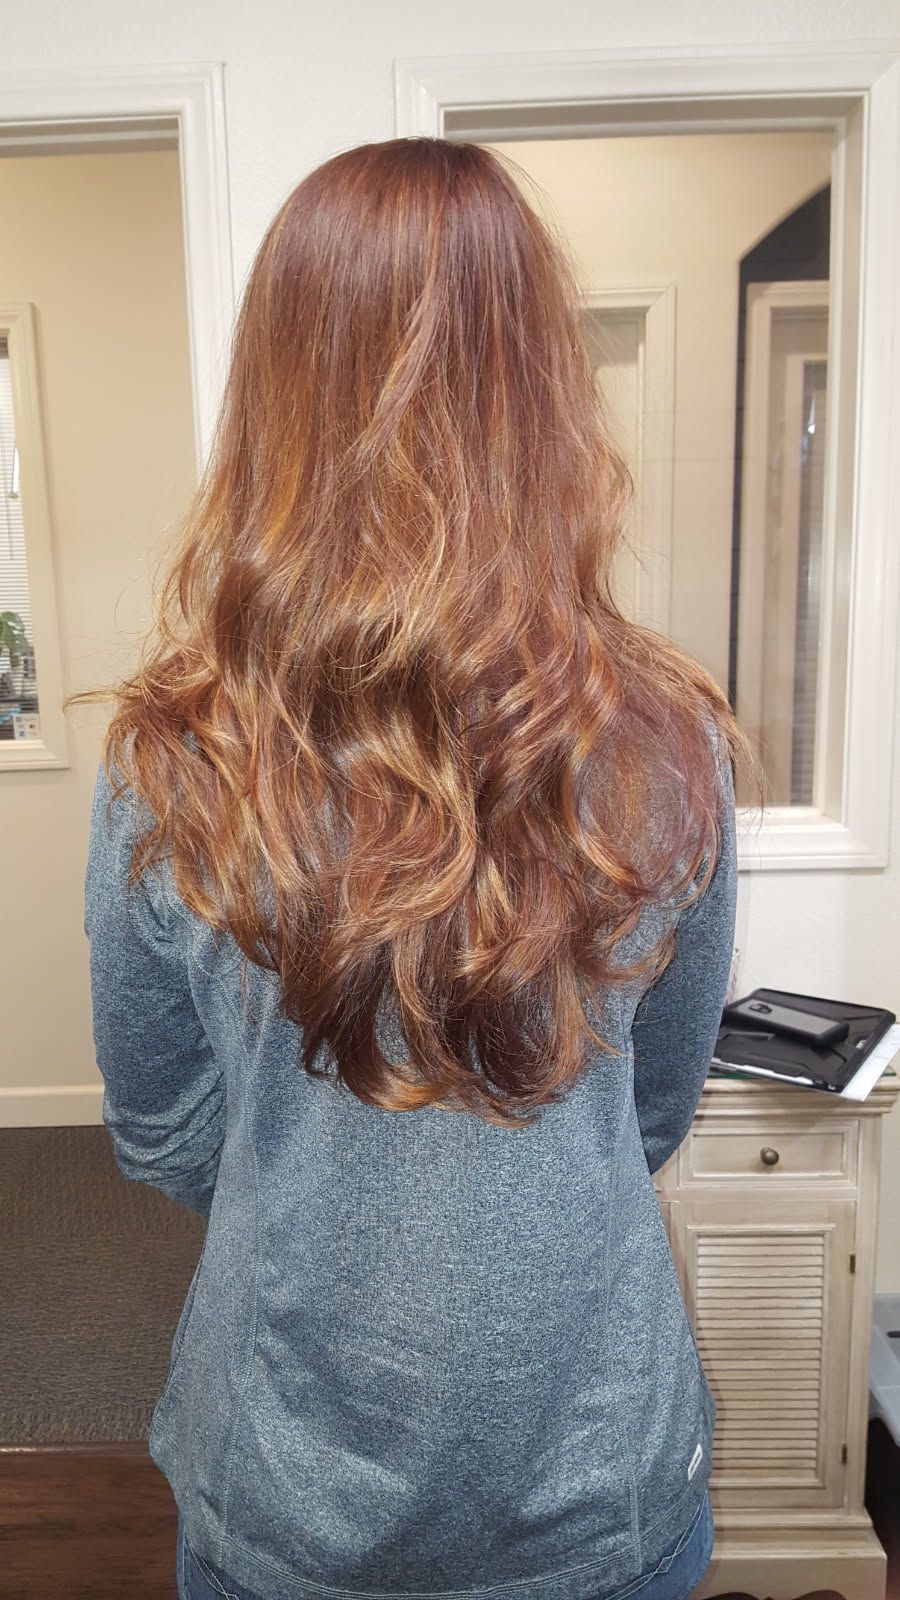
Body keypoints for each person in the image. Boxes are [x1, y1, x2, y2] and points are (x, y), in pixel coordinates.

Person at [79, 137, 752, 1600]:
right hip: (565, 1494)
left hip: (349, 1505)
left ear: (277, 398)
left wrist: (324, 1198)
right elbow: (648, 1114)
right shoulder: (673, 743)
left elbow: (167, 1131)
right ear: (543, 393)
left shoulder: (169, 760)